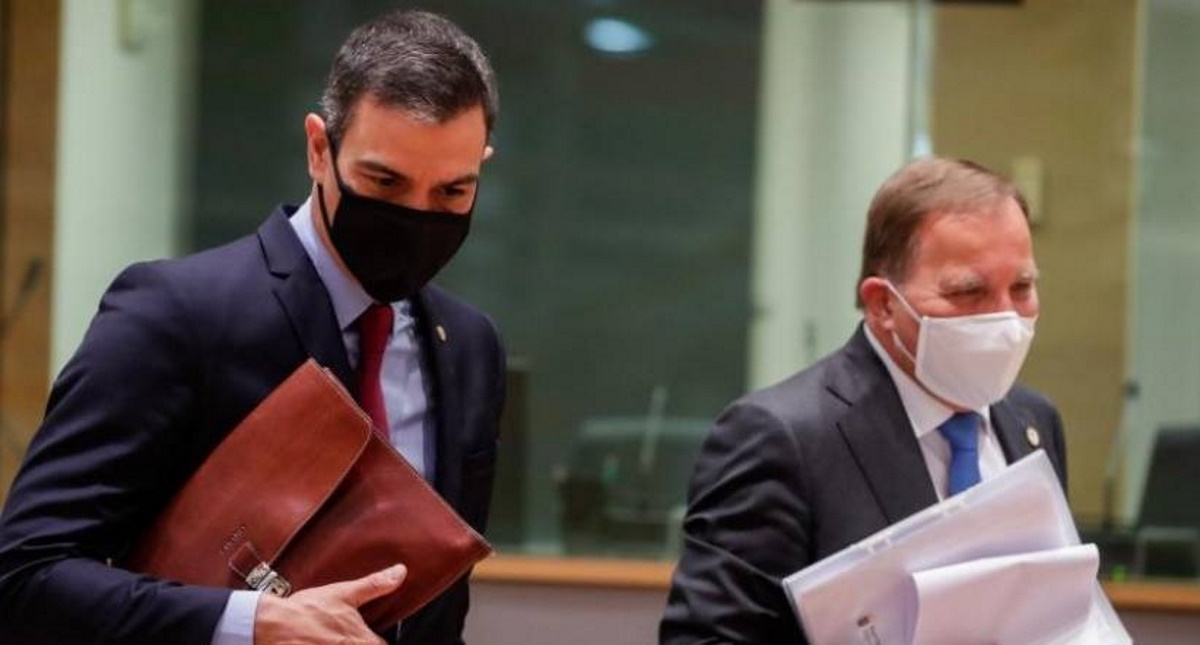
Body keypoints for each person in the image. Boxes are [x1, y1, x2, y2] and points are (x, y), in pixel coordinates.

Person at [0, 10, 504, 645]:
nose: (416, 217)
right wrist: (252, 621)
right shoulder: (175, 314)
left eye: (453, 193)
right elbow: (24, 578)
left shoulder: (471, 348)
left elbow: (437, 612)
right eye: (385, 181)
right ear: (319, 149)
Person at [660, 157, 1068, 644]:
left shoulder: (1032, 420)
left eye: (1021, 287)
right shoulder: (783, 437)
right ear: (883, 304)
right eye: (968, 291)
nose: (1004, 319)